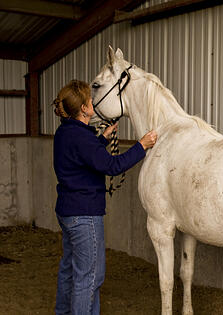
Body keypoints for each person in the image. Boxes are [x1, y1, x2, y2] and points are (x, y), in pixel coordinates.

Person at [52, 80, 157, 315]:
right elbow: (111, 165)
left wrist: (103, 139)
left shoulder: (65, 132)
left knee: (69, 269)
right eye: (90, 101)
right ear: (84, 109)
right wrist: (141, 145)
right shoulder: (81, 137)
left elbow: (83, 157)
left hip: (67, 211)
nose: (93, 103)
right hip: (84, 215)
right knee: (89, 277)